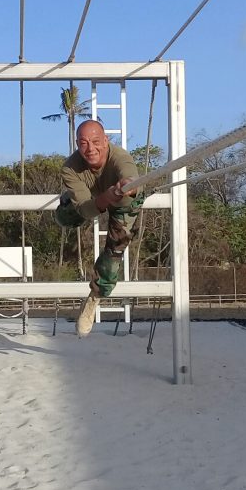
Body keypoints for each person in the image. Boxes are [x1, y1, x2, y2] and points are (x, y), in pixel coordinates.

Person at [55, 119, 144, 336]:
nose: (90, 148)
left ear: (106, 140)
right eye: (83, 143)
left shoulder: (121, 157)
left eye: (96, 141)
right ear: (77, 143)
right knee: (65, 215)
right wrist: (105, 196)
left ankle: (94, 297)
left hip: (124, 204)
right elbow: (88, 210)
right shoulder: (70, 167)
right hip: (93, 198)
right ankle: (68, 202)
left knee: (114, 252)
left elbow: (133, 179)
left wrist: (127, 188)